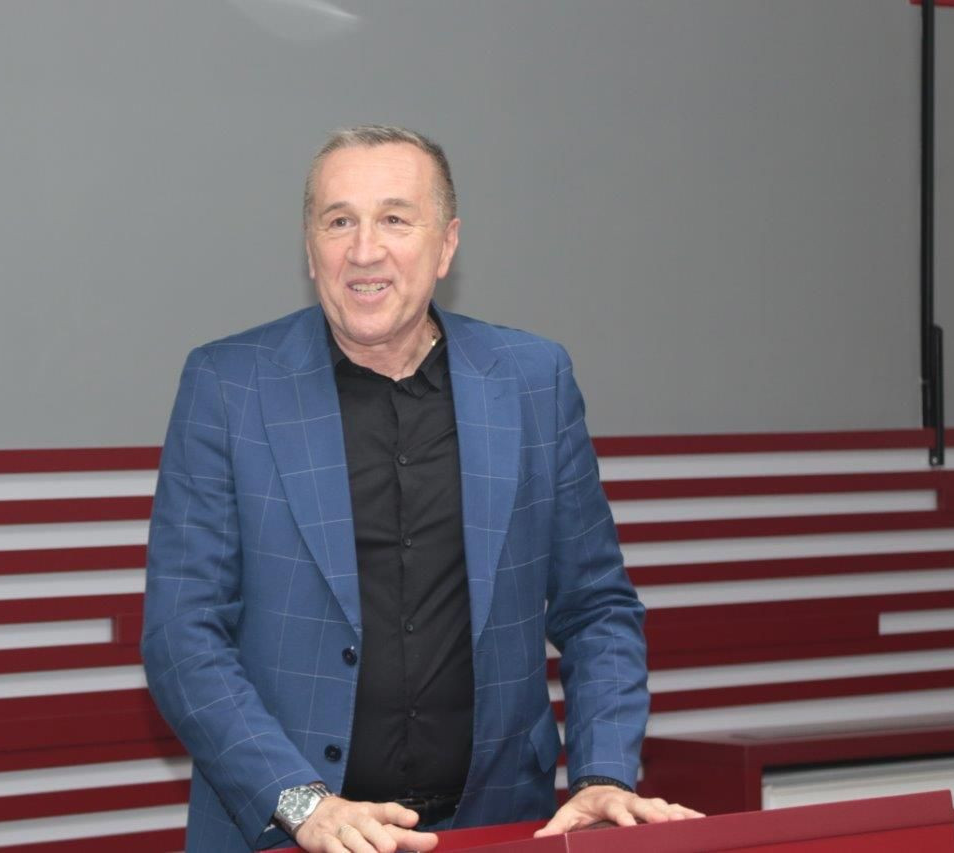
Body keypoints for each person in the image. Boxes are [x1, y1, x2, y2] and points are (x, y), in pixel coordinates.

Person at [142, 125, 700, 852]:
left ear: (446, 245)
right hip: (292, 833)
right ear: (310, 249)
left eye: (395, 219)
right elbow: (182, 636)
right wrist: (301, 803)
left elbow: (597, 606)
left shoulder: (533, 380)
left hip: (498, 826)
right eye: (339, 221)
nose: (364, 250)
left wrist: (602, 772)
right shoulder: (229, 385)